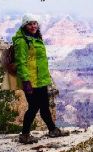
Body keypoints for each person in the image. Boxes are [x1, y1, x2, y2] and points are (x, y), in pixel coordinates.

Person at [13, 14, 68, 144]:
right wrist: (26, 81)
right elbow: (21, 63)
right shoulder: (22, 41)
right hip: (31, 81)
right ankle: (25, 135)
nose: (33, 26)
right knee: (33, 107)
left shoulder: (36, 38)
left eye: (35, 23)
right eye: (30, 24)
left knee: (44, 106)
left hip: (41, 79)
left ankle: (52, 130)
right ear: (24, 25)